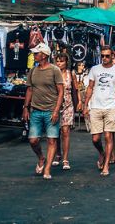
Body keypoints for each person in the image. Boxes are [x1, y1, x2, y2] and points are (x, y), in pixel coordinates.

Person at [83, 45, 115, 177]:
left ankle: (107, 164)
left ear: (112, 56)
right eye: (102, 56)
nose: (104, 58)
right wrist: (85, 105)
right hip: (96, 106)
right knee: (95, 139)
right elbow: (90, 88)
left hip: (111, 107)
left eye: (107, 56)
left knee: (108, 136)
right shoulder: (94, 69)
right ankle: (102, 153)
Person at [22, 43, 64, 180]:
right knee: (33, 140)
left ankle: (47, 168)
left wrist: (57, 111)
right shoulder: (32, 71)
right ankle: (41, 158)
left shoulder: (54, 70)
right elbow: (29, 90)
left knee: (52, 140)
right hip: (36, 110)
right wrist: (25, 107)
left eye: (36, 53)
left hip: (51, 110)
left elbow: (61, 91)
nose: (34, 55)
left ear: (44, 55)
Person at [55, 53, 76, 171]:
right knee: (55, 132)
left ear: (66, 62)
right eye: (57, 61)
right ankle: (58, 154)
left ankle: (65, 158)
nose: (59, 63)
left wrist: (78, 102)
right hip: (55, 105)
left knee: (65, 131)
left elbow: (75, 89)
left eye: (61, 61)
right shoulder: (53, 73)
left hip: (68, 104)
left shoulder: (70, 74)